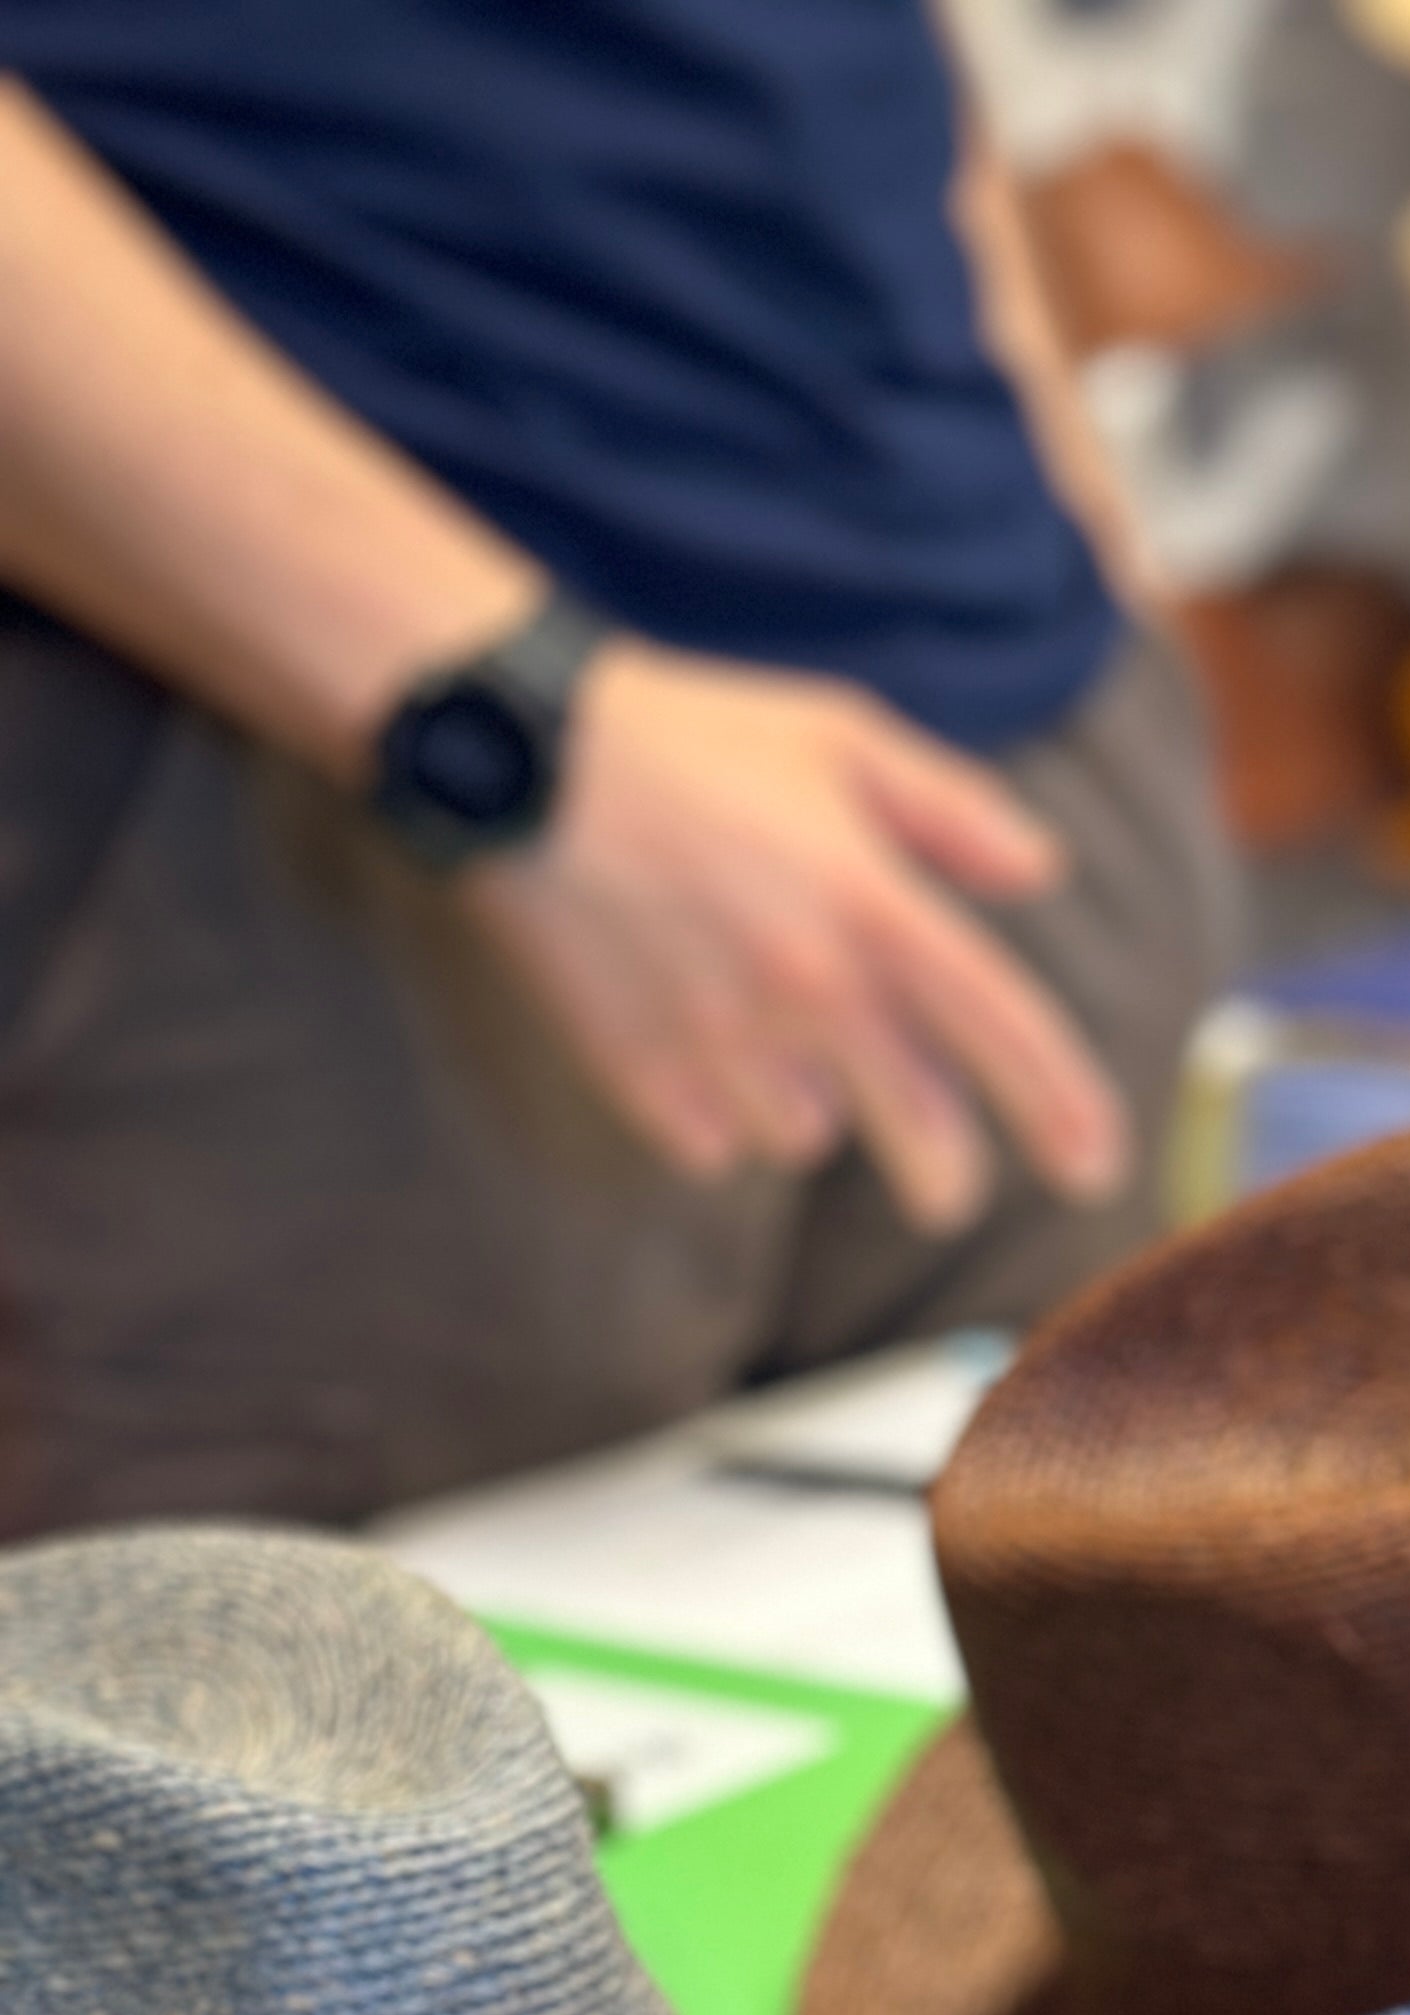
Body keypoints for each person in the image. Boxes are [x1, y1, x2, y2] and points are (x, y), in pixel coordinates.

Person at [0, 10, 1238, 1536]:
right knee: (307, 1743)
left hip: (1007, 751)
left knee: (1071, 1717)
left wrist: (1060, 511)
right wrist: (494, 716)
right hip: (313, 811)